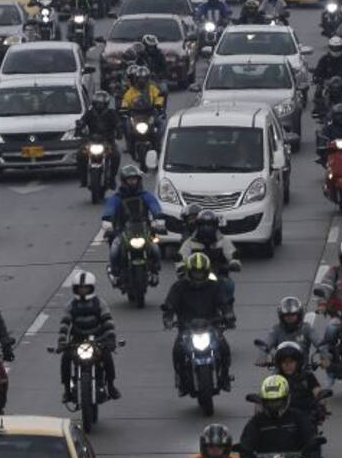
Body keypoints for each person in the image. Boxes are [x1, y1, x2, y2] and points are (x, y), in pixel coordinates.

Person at [162, 252, 233, 392]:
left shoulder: (215, 286)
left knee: (224, 348)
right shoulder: (179, 287)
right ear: (189, 272)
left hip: (211, 326)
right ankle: (181, 378)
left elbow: (224, 302)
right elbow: (170, 303)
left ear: (206, 272)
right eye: (195, 273)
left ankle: (225, 376)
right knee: (177, 351)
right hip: (187, 328)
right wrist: (168, 318)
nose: (198, 276)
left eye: (201, 273)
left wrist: (229, 315)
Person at [238, 375, 318, 458]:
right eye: (270, 402)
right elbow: (246, 443)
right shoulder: (257, 421)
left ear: (286, 399)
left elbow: (311, 438)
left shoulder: (297, 417)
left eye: (277, 402)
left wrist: (308, 457)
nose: (273, 406)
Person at [56, 270, 120, 402]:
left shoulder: (99, 303)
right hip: (77, 341)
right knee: (65, 359)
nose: (83, 290)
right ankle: (67, 390)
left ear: (91, 288)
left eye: (85, 288)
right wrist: (62, 342)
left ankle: (111, 386)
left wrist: (110, 339)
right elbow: (65, 324)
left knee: (107, 357)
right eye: (80, 288)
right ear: (75, 289)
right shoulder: (71, 305)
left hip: (97, 339)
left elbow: (108, 321)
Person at [102, 165, 164, 286]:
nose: (132, 182)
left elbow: (154, 205)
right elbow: (110, 208)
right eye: (130, 179)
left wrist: (159, 218)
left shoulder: (145, 195)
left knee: (155, 248)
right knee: (114, 250)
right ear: (124, 181)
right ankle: (115, 273)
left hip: (144, 230)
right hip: (122, 231)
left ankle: (155, 272)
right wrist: (107, 221)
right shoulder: (117, 197)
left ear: (138, 180)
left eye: (134, 179)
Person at [178, 210, 240, 322]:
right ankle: (179, 311)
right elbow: (182, 256)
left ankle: (228, 309)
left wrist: (234, 263)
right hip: (195, 275)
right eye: (203, 225)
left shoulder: (223, 241)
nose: (207, 228)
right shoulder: (190, 242)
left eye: (210, 225)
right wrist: (181, 266)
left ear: (216, 226)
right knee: (180, 286)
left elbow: (232, 254)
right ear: (197, 226)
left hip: (218, 274)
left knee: (228, 284)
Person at [75, 90, 121, 188]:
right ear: (94, 103)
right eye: (98, 103)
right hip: (92, 141)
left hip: (107, 141)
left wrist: (119, 131)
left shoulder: (111, 113)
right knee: (80, 154)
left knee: (116, 156)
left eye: (102, 103)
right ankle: (83, 179)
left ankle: (112, 179)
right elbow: (82, 122)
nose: (99, 105)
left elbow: (118, 123)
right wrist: (79, 128)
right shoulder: (90, 113)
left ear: (106, 103)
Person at [259, 297, 318, 362]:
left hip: (303, 368)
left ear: (299, 315)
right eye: (286, 315)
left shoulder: (307, 328)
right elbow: (266, 344)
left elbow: (320, 343)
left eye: (293, 314)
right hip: (280, 368)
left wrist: (325, 356)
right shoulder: (277, 329)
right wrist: (263, 357)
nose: (289, 317)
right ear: (281, 316)